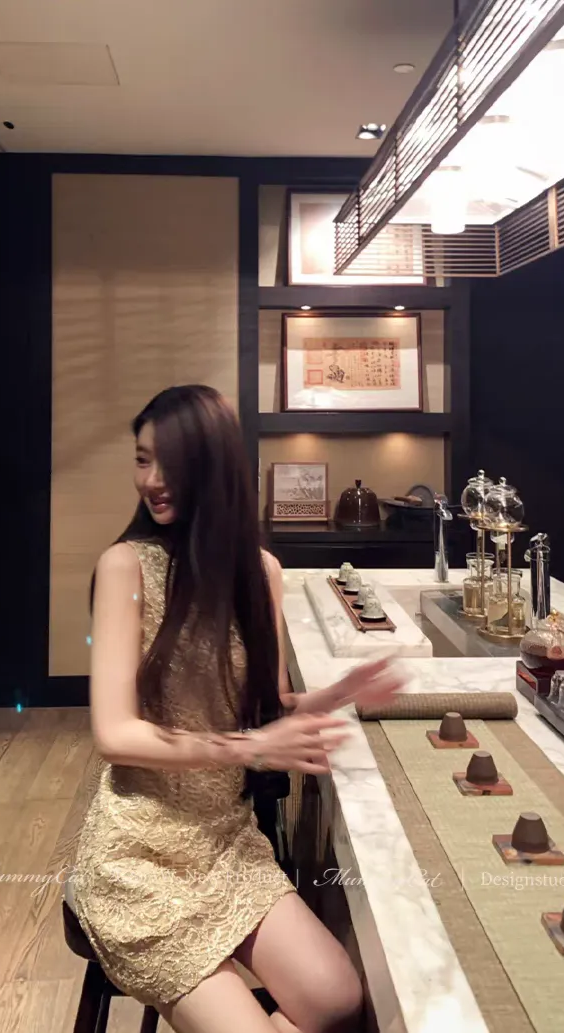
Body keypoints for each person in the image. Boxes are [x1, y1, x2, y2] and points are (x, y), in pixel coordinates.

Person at [71, 385, 405, 1033]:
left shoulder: (261, 571)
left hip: (227, 844)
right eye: (142, 459)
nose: (152, 480)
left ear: (214, 466)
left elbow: (263, 707)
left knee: (338, 1001)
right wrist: (248, 748)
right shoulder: (125, 567)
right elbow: (114, 734)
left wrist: (336, 694)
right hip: (138, 860)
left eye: (170, 462)